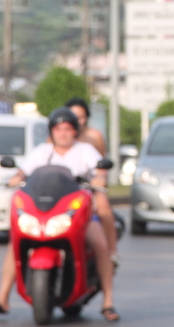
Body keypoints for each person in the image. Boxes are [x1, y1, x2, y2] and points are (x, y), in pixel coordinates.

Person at [0, 107, 120, 322]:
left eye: (67, 129)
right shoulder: (41, 152)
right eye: (58, 129)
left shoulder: (85, 151)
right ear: (51, 131)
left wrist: (98, 179)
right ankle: (2, 299)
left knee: (100, 245)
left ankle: (108, 302)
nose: (63, 133)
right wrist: (15, 179)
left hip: (77, 214)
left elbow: (100, 172)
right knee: (14, 245)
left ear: (75, 131)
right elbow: (23, 172)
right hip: (44, 213)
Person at [65, 97, 119, 260]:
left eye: (81, 117)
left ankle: (111, 251)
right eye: (73, 116)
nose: (77, 121)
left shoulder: (94, 138)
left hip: (88, 188)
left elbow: (101, 166)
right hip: (64, 189)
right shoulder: (54, 141)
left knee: (103, 206)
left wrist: (99, 181)